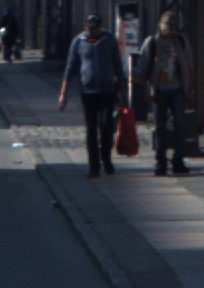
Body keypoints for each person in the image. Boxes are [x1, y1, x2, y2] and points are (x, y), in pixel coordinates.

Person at [57, 12, 128, 178]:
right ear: (84, 27)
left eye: (94, 28)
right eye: (89, 28)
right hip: (88, 92)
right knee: (91, 129)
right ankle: (94, 166)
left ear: (100, 27)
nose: (91, 31)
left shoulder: (109, 40)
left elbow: (118, 67)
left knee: (106, 126)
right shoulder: (78, 42)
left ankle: (106, 158)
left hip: (107, 91)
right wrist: (63, 94)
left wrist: (124, 94)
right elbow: (70, 69)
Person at [137, 10, 194, 175]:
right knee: (160, 127)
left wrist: (190, 89)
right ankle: (160, 161)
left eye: (172, 28)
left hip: (177, 89)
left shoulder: (181, 42)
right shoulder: (152, 43)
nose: (169, 31)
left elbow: (189, 67)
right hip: (159, 90)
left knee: (179, 125)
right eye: (166, 28)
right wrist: (146, 91)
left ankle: (178, 160)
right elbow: (143, 68)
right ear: (160, 27)